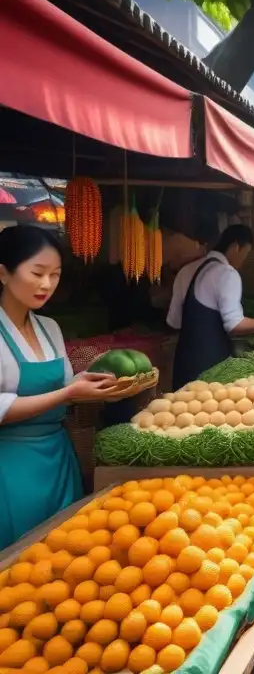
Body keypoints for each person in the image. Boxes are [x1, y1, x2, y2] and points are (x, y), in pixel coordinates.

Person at [0, 226, 120, 549]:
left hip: (59, 459)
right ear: (3, 273)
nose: (47, 285)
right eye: (37, 273)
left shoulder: (49, 327)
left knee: (69, 552)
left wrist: (88, 377)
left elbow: (64, 383)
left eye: (55, 275)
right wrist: (69, 393)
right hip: (11, 468)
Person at [167, 224, 254, 389]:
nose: (242, 262)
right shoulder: (227, 274)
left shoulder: (186, 270)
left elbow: (174, 322)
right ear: (235, 247)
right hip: (210, 368)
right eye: (245, 255)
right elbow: (234, 325)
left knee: (178, 411)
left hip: (183, 363)